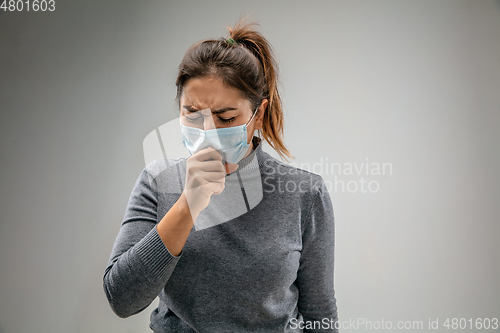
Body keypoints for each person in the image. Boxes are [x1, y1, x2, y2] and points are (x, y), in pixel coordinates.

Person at [103, 18, 339, 333]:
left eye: (225, 117)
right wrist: (188, 204)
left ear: (259, 115)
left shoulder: (304, 194)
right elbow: (121, 299)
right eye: (192, 114)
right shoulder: (158, 182)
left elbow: (320, 315)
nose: (208, 131)